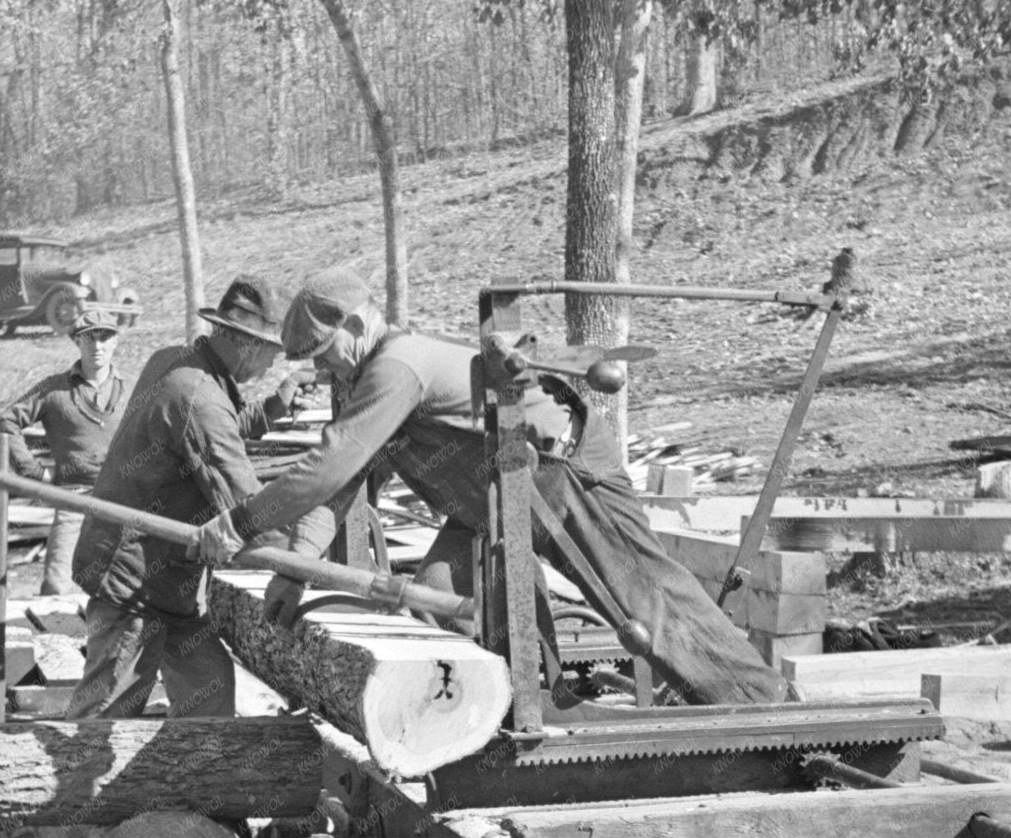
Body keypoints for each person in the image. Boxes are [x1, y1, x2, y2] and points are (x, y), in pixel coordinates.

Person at [194, 268, 790, 706]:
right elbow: (344, 487)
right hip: (494, 500)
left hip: (560, 474)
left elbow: (326, 466)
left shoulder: (396, 367)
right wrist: (294, 570)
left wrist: (237, 524)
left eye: (326, 356)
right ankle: (532, 714)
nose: (325, 372)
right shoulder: (366, 378)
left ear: (354, 324)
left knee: (642, 601)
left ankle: (765, 711)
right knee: (440, 602)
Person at [65, 276, 316, 719]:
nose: (270, 365)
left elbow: (211, 429)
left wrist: (275, 405)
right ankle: (72, 789)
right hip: (133, 584)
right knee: (101, 723)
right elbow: (244, 506)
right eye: (272, 356)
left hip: (170, 584)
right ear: (249, 345)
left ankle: (191, 786)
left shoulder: (175, 361)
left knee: (210, 693)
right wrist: (308, 559)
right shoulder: (199, 398)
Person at [0, 306, 127, 594]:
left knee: (122, 588)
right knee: (57, 585)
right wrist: (35, 472)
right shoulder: (55, 390)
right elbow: (5, 423)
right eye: (88, 338)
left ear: (116, 341)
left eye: (104, 338)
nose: (97, 346)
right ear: (77, 342)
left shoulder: (134, 390)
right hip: (72, 501)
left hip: (122, 502)